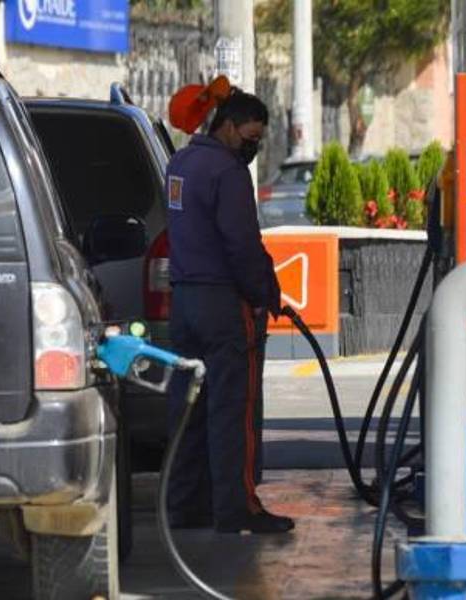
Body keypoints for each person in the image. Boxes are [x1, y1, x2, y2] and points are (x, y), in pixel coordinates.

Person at [164, 89, 294, 534]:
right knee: (232, 411)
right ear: (228, 125)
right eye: (249, 136)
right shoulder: (228, 172)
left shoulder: (178, 164)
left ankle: (184, 507)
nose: (252, 146)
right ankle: (238, 509)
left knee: (189, 408)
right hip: (223, 304)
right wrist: (264, 293)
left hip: (184, 302)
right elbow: (241, 244)